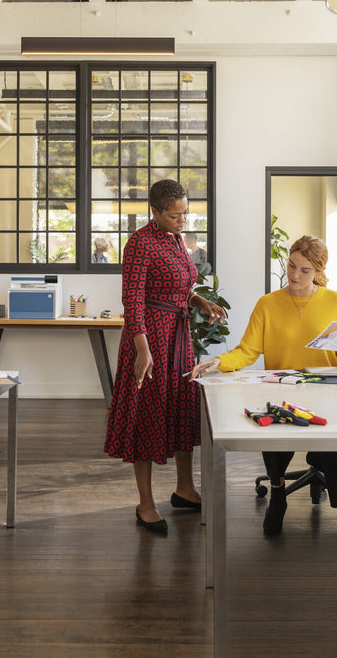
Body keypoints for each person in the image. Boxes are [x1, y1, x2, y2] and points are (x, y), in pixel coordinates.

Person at [192, 235, 337, 535]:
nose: (294, 274)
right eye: (291, 266)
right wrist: (219, 361)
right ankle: (278, 493)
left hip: (324, 390)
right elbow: (247, 351)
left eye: (304, 270)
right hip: (280, 391)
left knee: (329, 442)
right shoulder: (268, 304)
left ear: (318, 271)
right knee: (271, 429)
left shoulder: (334, 302)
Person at [104, 179, 226, 535]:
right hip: (150, 339)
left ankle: (185, 488)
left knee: (183, 407)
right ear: (155, 212)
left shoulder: (175, 239)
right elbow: (133, 300)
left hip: (179, 336)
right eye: (175, 215)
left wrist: (199, 301)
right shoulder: (139, 243)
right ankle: (145, 503)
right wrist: (142, 349)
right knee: (146, 414)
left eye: (185, 213)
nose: (183, 220)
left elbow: (178, 287)